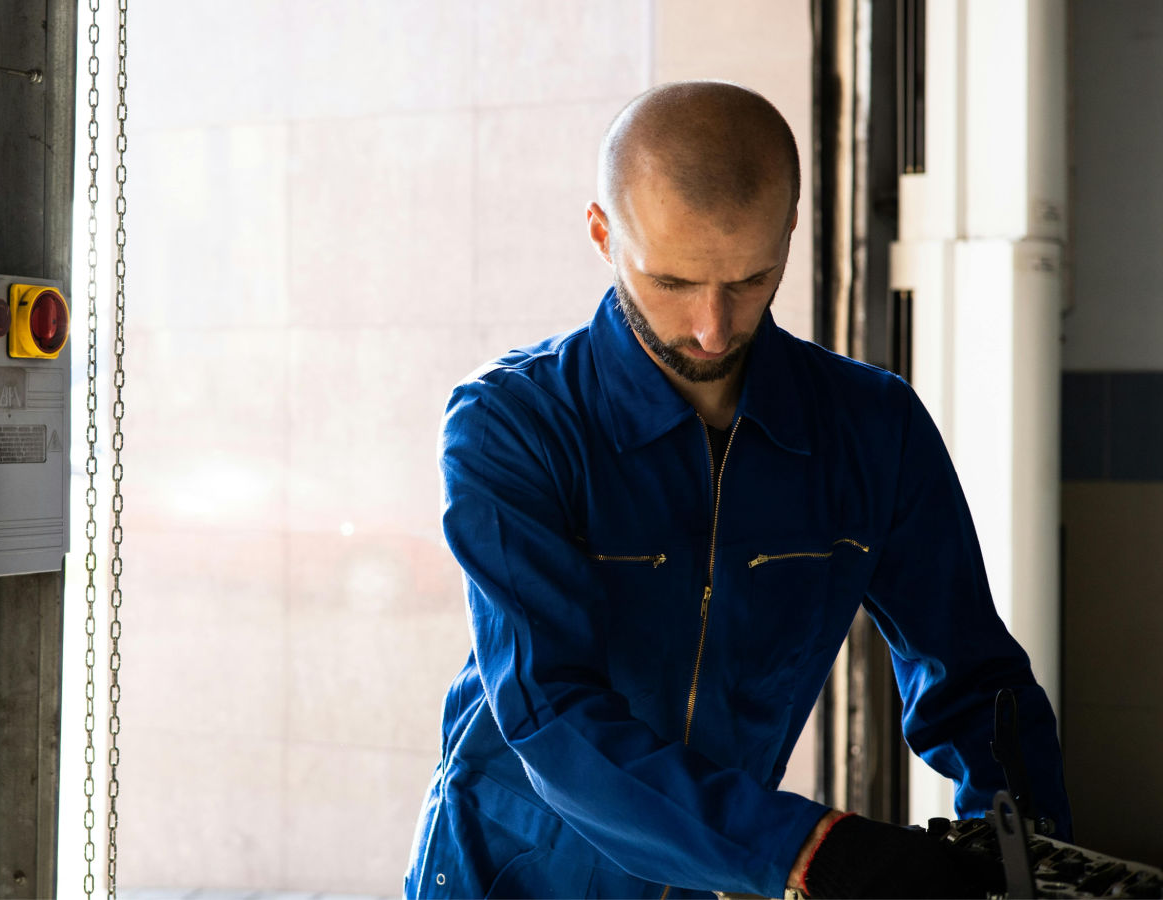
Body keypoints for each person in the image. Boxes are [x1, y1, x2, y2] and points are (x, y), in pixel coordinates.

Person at [403, 80, 1071, 899]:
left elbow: (974, 681)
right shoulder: (512, 424)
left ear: (791, 228)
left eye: (751, 280)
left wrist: (1034, 866)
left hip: (719, 880)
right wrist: (813, 850)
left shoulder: (875, 429)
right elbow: (553, 713)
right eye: (674, 283)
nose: (713, 327)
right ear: (602, 232)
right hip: (503, 877)